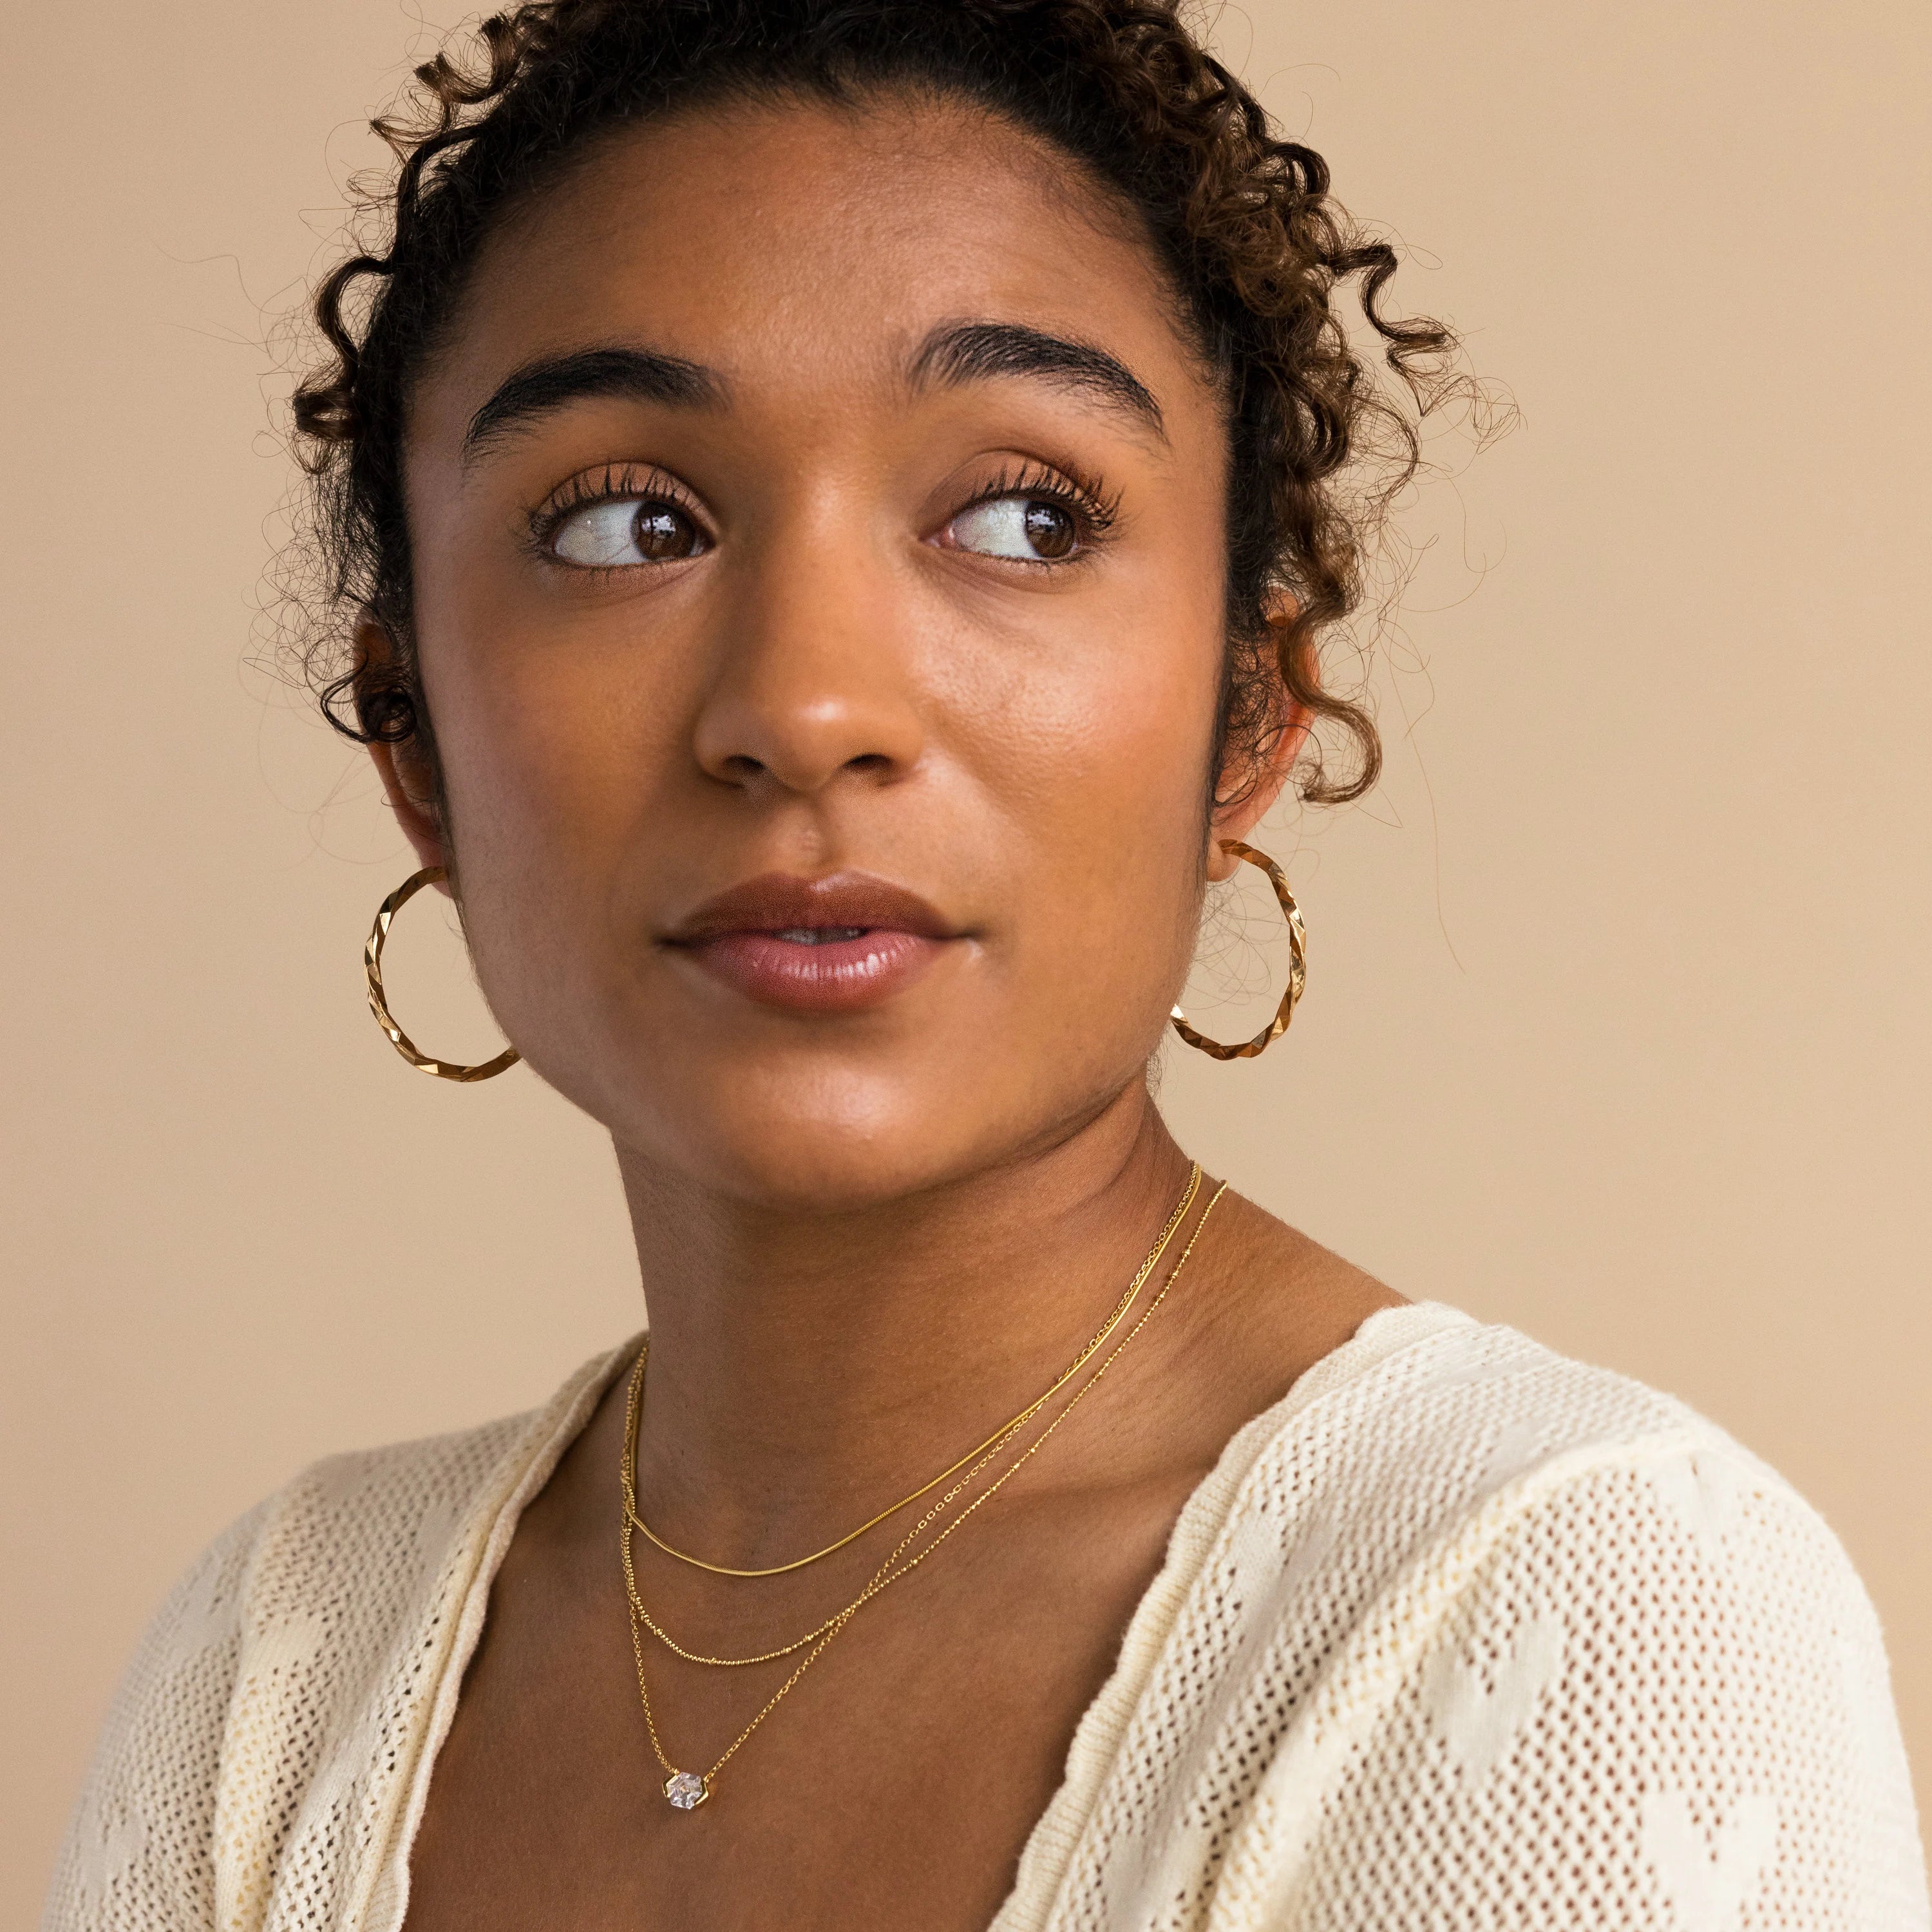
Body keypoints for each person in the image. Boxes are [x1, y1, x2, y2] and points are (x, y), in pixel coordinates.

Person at [45, 3, 1928, 1927]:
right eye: (631, 522)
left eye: (1022, 515)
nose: (808, 703)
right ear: (416, 741)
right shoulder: (272, 1674)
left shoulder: (1573, 1619)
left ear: (1250, 717)